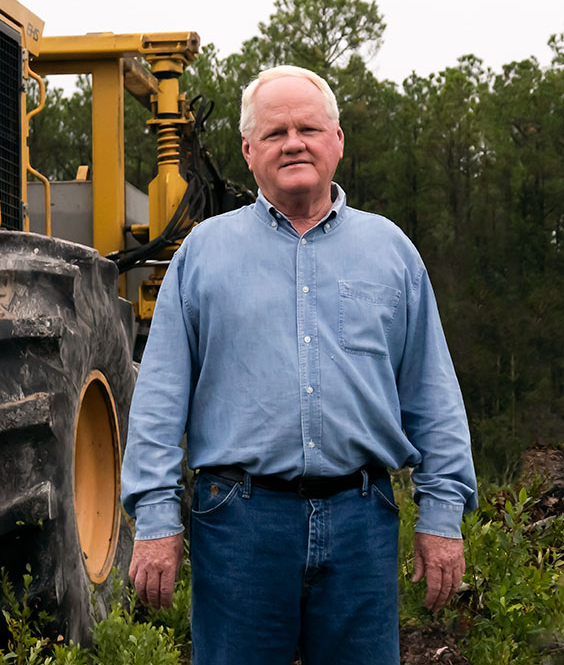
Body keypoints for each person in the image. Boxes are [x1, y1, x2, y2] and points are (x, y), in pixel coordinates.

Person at [119, 65, 478, 665]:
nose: (293, 142)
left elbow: (432, 396)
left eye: (309, 127)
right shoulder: (202, 254)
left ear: (337, 140)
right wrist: (156, 517)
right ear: (248, 150)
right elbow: (159, 399)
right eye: (275, 131)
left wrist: (442, 514)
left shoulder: (392, 252)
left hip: (361, 521)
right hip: (238, 524)